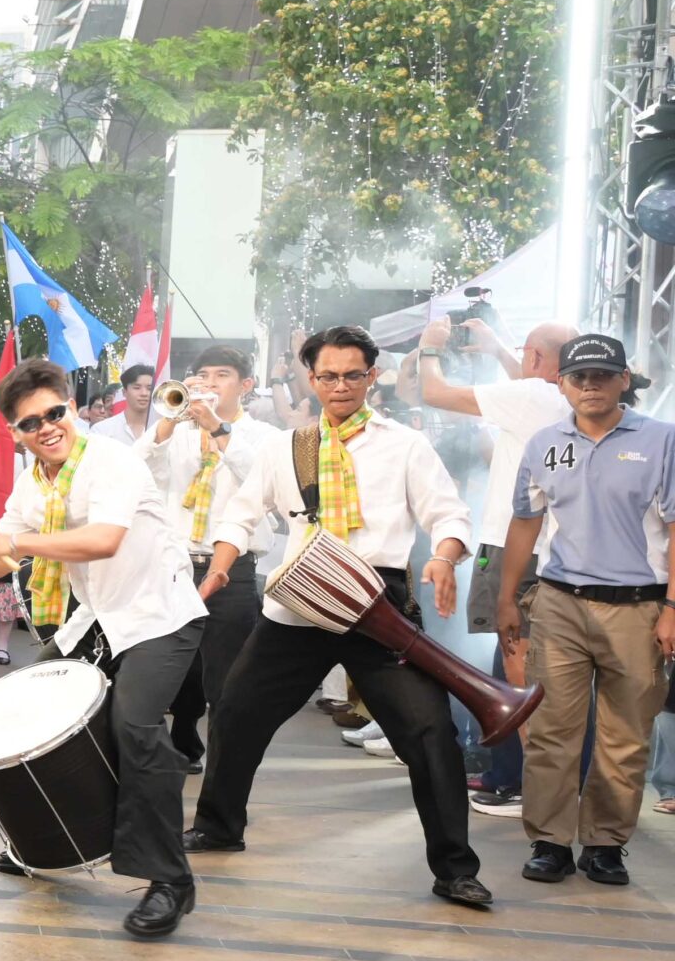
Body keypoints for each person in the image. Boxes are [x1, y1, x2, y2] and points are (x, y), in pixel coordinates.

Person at [187, 325, 492, 908]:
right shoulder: (288, 446)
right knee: (236, 712)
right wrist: (220, 568)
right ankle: (219, 826)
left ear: (371, 377)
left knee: (430, 732)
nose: (341, 385)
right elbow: (241, 515)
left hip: (378, 604)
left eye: (353, 375)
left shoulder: (405, 445)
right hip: (300, 602)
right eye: (328, 376)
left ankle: (456, 868)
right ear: (312, 379)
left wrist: (444, 558)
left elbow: (449, 515)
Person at [0, 361, 207, 938]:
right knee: (25, 712)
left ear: (70, 408)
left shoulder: (112, 460)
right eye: (30, 422)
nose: (46, 427)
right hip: (98, 618)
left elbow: (103, 540)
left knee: (135, 728)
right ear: (14, 431)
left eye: (54, 413)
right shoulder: (31, 483)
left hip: (158, 616)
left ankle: (170, 880)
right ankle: (46, 841)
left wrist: (15, 540)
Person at [494, 335, 675, 886]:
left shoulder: (662, 440)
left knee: (625, 735)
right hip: (559, 604)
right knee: (552, 729)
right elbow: (525, 521)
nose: (590, 385)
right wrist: (506, 597)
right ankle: (549, 842)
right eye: (579, 377)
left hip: (638, 609)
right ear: (562, 384)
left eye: (602, 375)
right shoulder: (544, 443)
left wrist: (672, 606)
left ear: (624, 380)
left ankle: (604, 844)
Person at [415, 314, 576, 817]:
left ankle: (535, 785)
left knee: (518, 663)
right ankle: (516, 776)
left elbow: (435, 393)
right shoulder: (560, 398)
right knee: (518, 666)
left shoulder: (531, 397)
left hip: (512, 544)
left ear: (535, 358)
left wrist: (429, 347)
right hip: (548, 547)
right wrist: (498, 347)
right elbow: (532, 374)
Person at [137, 344, 284, 769]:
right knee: (173, 670)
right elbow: (140, 470)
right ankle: (182, 744)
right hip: (175, 565)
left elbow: (263, 483)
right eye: (203, 376)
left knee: (226, 677)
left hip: (233, 569)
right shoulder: (179, 431)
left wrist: (218, 429)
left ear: (246, 385)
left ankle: (225, 767)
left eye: (222, 375)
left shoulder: (265, 436)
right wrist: (169, 421)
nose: (210, 384)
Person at [92, 362, 157, 445]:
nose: (144, 393)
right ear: (124, 392)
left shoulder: (162, 429)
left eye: (149, 388)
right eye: (137, 388)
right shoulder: (102, 430)